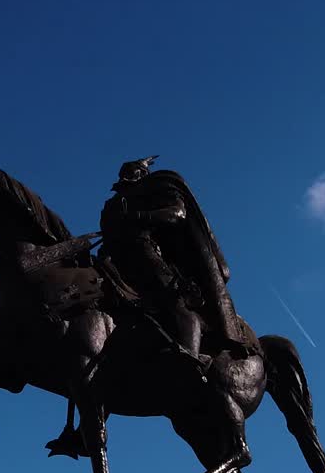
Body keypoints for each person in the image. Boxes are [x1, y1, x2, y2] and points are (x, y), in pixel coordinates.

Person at [97, 156, 250, 366]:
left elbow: (177, 214)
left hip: (144, 254)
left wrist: (136, 216)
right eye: (125, 170)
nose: (127, 174)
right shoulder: (112, 203)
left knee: (175, 302)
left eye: (133, 170)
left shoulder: (155, 189)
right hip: (112, 259)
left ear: (142, 173)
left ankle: (189, 359)